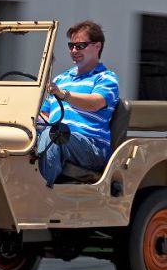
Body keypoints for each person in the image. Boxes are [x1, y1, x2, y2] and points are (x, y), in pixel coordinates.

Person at [38, 20, 119, 186]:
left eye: (80, 46)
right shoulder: (61, 79)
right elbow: (44, 114)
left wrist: (64, 95)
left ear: (97, 46)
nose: (74, 51)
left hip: (91, 146)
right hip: (58, 137)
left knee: (54, 135)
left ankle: (43, 194)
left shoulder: (106, 78)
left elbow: (95, 103)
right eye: (71, 46)